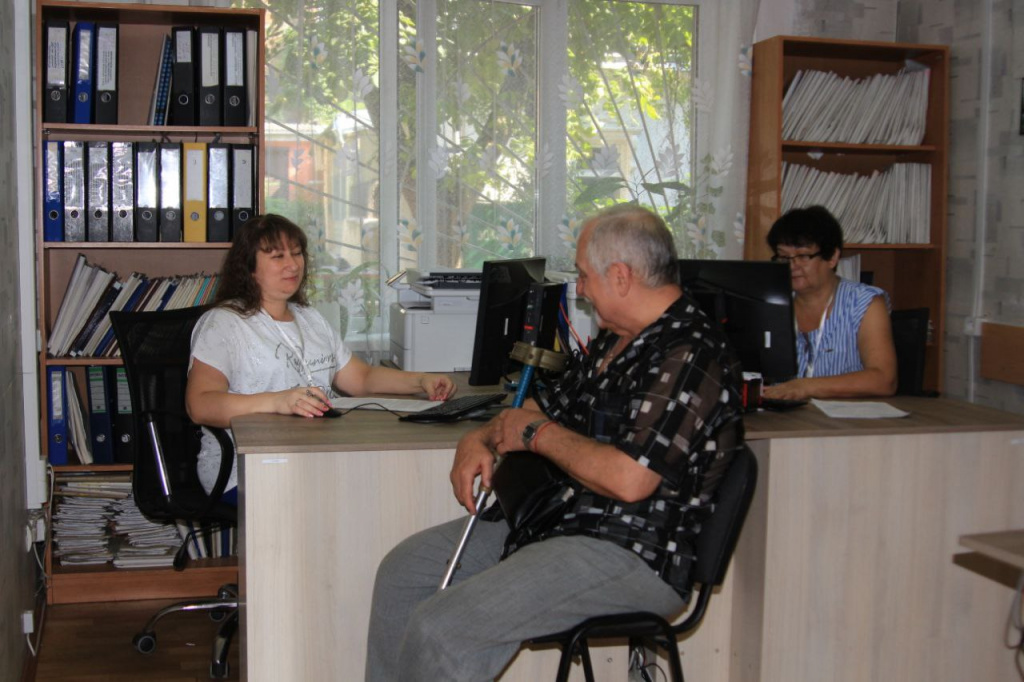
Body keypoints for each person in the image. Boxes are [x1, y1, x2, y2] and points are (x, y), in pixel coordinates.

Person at [365, 205, 745, 681]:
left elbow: (628, 479)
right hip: (559, 521)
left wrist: (536, 436)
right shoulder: (616, 341)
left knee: (445, 629)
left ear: (622, 276)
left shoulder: (691, 353)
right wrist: (479, 436)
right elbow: (542, 415)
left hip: (631, 551)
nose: (580, 290)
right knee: (403, 574)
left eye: (585, 276)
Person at [186, 214, 456, 501]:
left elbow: (361, 379)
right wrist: (278, 401)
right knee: (366, 492)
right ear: (249, 267)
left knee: (395, 481)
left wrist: (422, 380)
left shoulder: (309, 318)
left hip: (311, 454)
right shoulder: (223, 323)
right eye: (278, 256)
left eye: (297, 253)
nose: (293, 264)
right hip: (243, 468)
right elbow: (200, 404)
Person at [760, 205, 897, 401]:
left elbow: (884, 380)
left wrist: (806, 387)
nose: (792, 265)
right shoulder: (770, 302)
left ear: (832, 257)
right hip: (783, 418)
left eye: (803, 256)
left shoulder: (865, 303)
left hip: (845, 423)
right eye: (783, 257)